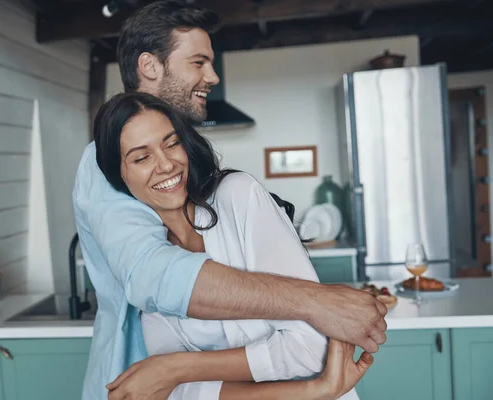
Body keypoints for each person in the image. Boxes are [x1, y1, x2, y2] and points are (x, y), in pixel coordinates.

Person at [71, 1, 387, 399]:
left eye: (171, 145)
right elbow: (153, 277)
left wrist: (176, 370)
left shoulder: (229, 195)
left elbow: (306, 350)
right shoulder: (102, 168)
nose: (213, 76)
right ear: (150, 66)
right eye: (198, 62)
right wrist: (317, 302)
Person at [94, 91, 370, 399]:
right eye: (142, 157)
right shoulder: (150, 268)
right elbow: (181, 395)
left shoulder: (236, 196)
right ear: (119, 175)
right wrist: (315, 389)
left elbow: (313, 346)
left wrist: (176, 366)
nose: (166, 165)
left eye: (172, 143)